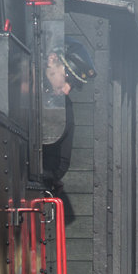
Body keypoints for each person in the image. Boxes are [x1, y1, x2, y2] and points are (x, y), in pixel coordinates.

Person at [41, 37, 96, 192]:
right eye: (67, 79)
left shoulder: (65, 106)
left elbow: (61, 160)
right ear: (52, 59)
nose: (66, 90)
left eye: (71, 86)